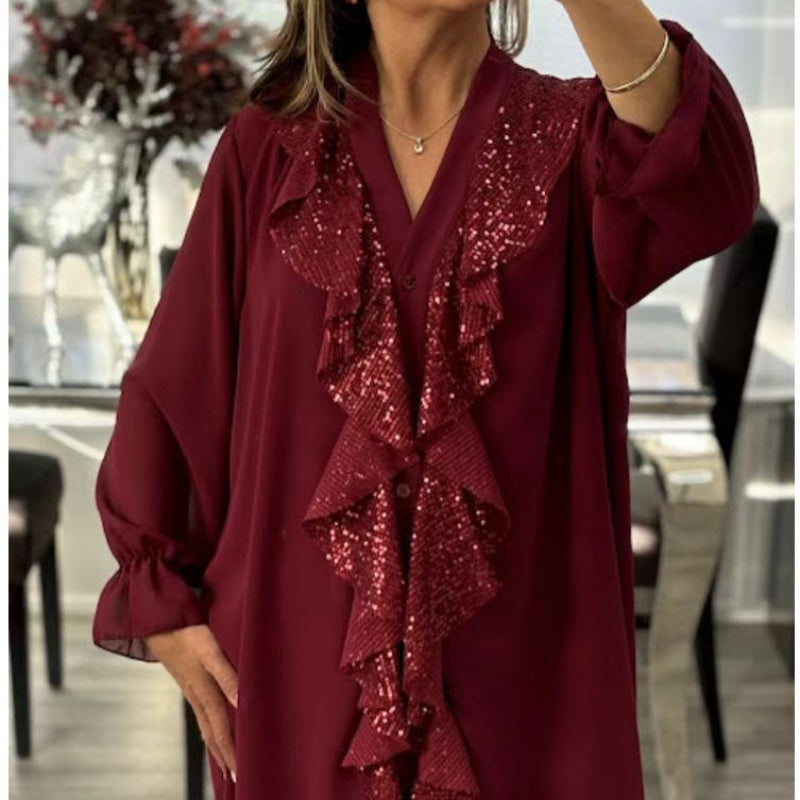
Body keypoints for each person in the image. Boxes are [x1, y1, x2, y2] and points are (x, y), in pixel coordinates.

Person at [91, 0, 759, 796]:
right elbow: (176, 386)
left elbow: (705, 179)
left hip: (527, 692)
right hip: (298, 682)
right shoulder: (267, 150)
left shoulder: (574, 143)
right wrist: (161, 599)